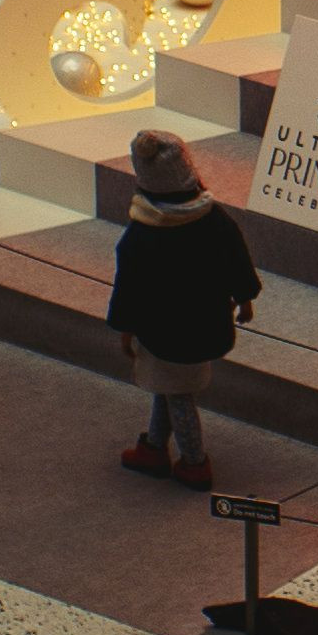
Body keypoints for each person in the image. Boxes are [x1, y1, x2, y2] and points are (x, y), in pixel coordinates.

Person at [105, 129, 258, 491]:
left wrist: (125, 327)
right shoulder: (213, 218)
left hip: (164, 332)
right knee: (170, 388)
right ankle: (155, 446)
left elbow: (129, 286)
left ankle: (194, 462)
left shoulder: (143, 235)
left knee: (178, 396)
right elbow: (237, 259)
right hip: (205, 322)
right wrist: (245, 297)